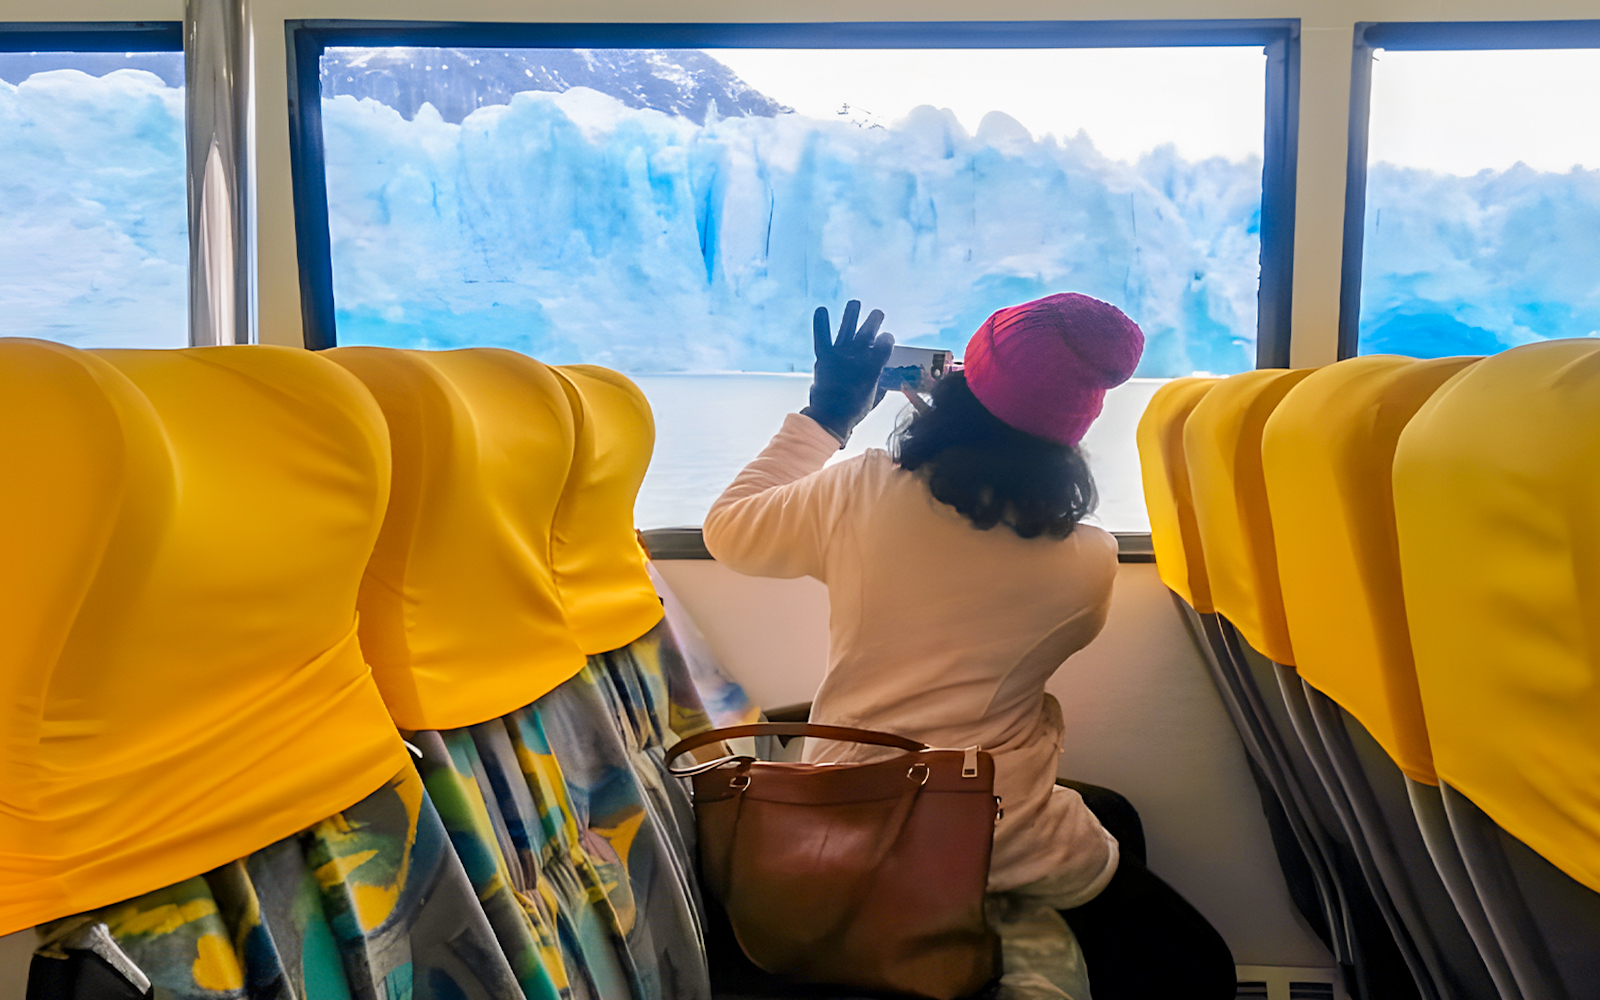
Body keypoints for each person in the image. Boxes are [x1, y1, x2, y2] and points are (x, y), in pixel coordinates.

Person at [702, 295, 1235, 1000]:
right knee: (1199, 963)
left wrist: (829, 413)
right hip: (988, 829)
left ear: (963, 381)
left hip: (840, 802)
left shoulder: (863, 489)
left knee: (1112, 817)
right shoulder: (1086, 560)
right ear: (1077, 422)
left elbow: (729, 530)